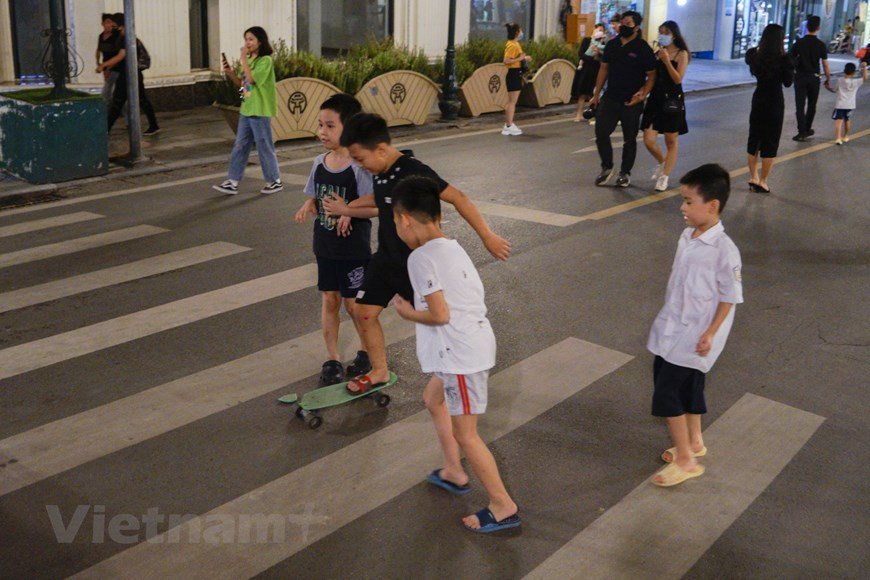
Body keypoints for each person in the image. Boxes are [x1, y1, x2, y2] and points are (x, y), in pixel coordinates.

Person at [322, 113, 511, 395]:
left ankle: (461, 373)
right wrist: (347, 209)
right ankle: (379, 370)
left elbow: (458, 197)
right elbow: (379, 199)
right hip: (386, 259)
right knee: (363, 312)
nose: (360, 166)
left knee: (441, 322)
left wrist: (487, 235)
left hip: (416, 266)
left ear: (381, 150)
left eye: (361, 159)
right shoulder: (381, 172)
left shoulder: (414, 172)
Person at [390, 175, 520, 533]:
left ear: (403, 220)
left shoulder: (419, 258)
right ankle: (453, 470)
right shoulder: (451, 245)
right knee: (433, 399)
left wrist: (405, 312)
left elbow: (439, 315)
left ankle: (502, 504)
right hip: (467, 346)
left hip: (460, 355)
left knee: (468, 435)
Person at [647, 164, 743, 487]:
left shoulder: (724, 250)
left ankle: (686, 461)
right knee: (687, 388)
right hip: (673, 327)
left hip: (695, 336)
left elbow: (730, 297)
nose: (682, 207)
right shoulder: (687, 236)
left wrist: (710, 333)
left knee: (667, 392)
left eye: (689, 201)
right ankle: (695, 442)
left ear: (712, 205)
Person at [295, 94, 378, 384]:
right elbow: (317, 197)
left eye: (330, 126)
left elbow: (376, 205)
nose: (322, 132)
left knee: (354, 305)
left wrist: (350, 211)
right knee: (329, 300)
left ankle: (367, 351)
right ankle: (332, 358)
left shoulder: (359, 166)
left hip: (353, 249)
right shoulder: (319, 163)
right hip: (325, 245)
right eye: (320, 125)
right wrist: (310, 205)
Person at [589, 11, 657, 188]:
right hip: (610, 97)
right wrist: (596, 95)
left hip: (631, 102)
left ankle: (625, 173)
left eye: (628, 23)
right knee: (601, 132)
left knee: (629, 139)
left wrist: (642, 94)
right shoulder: (612, 45)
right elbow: (604, 69)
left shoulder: (643, 48)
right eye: (622, 23)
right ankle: (607, 167)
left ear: (636, 27)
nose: (623, 26)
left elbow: (651, 75)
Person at [213, 26, 283, 196]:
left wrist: (243, 58)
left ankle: (274, 181)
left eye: (251, 39)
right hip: (247, 109)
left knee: (264, 146)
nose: (247, 43)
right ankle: (233, 181)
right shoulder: (250, 60)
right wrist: (231, 74)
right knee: (239, 146)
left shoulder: (265, 61)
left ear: (260, 41)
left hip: (260, 110)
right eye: (246, 39)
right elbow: (244, 85)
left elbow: (252, 79)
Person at [642, 21, 690, 192]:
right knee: (648, 140)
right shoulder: (658, 52)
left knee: (671, 140)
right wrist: (643, 92)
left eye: (666, 32)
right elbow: (653, 77)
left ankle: (665, 176)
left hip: (672, 100)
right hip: (655, 99)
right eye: (660, 32)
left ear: (674, 34)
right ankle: (663, 163)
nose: (662, 35)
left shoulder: (681, 53)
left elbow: (678, 79)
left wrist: (667, 61)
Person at [745, 24, 794, 194]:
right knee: (770, 142)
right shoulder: (784, 60)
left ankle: (753, 177)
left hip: (758, 100)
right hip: (775, 102)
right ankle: (764, 181)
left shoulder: (755, 56)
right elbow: (788, 83)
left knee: (754, 139)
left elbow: (749, 57)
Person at [104, 13, 160, 136]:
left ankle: (106, 129)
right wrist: (110, 66)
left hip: (130, 74)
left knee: (118, 102)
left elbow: (121, 56)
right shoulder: (124, 38)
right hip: (130, 74)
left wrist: (103, 65)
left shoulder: (126, 38)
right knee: (127, 101)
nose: (112, 28)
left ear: (121, 26)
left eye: (114, 26)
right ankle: (154, 125)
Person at [789, 15, 831, 141]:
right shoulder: (820, 45)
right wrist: (828, 79)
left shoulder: (799, 43)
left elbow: (790, 59)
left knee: (800, 105)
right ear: (818, 28)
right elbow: (825, 64)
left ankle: (801, 131)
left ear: (806, 26)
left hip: (800, 77)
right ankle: (808, 128)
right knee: (812, 105)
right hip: (814, 78)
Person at [572, 23, 607, 123]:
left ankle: (591, 115)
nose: (600, 31)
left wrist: (599, 53)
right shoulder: (587, 40)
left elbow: (604, 58)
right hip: (585, 69)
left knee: (593, 93)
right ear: (594, 29)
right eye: (598, 29)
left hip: (596, 69)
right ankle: (578, 114)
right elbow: (581, 53)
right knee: (582, 92)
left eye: (602, 30)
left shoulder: (603, 43)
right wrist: (590, 57)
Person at [502, 23, 532, 136]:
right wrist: (520, 58)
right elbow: (506, 60)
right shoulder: (512, 45)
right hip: (513, 74)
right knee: (512, 102)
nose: (522, 32)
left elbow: (517, 57)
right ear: (516, 33)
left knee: (512, 101)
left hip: (516, 73)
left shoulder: (515, 44)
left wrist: (524, 58)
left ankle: (509, 124)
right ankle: (509, 125)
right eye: (520, 30)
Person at [828, 62, 867, 145]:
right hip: (850, 105)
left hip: (840, 104)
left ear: (844, 71)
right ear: (853, 72)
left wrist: (828, 87)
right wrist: (864, 67)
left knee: (838, 121)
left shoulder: (840, 80)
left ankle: (838, 138)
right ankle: (845, 136)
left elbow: (834, 90)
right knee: (847, 120)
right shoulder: (856, 82)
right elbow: (865, 78)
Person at [95, 14, 121, 104]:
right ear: (102, 23)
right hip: (106, 65)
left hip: (116, 66)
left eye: (111, 23)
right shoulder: (101, 36)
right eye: (107, 22)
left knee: (109, 88)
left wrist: (109, 67)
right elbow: (98, 50)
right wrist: (98, 63)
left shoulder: (116, 36)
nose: (109, 25)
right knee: (109, 87)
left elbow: (118, 55)